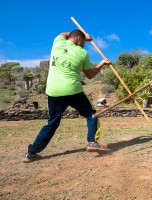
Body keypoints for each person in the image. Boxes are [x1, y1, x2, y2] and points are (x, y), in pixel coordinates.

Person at [22, 30, 111, 163]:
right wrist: (102, 64)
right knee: (91, 114)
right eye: (84, 42)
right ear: (79, 39)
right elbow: (90, 75)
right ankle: (92, 142)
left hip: (53, 91)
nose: (84, 45)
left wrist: (85, 37)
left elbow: (62, 34)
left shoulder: (57, 44)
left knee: (52, 123)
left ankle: (31, 153)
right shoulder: (82, 53)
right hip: (72, 90)